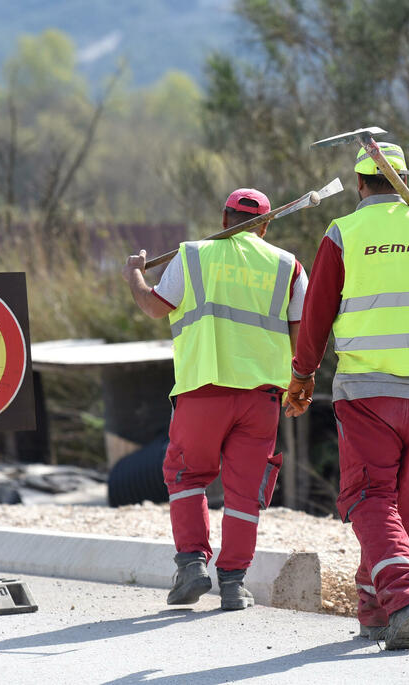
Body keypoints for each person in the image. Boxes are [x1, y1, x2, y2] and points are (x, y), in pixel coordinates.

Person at [283, 142, 409, 648]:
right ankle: (379, 614)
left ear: (359, 184)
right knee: (403, 505)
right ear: (401, 179)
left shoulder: (344, 233)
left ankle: (405, 599)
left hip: (366, 391)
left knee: (369, 498)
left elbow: (316, 315)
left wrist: (302, 374)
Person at [121, 188, 308, 610]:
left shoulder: (191, 255)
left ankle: (191, 565)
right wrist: (299, 385)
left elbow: (154, 307)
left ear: (224, 221)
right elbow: (302, 337)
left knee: (187, 477)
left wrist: (133, 274)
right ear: (265, 225)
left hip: (203, 388)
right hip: (262, 398)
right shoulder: (289, 267)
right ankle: (234, 584)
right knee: (245, 492)